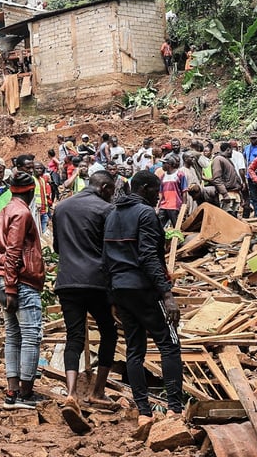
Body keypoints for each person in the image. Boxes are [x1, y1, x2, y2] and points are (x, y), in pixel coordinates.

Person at [105, 170, 182, 440]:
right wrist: (167, 295)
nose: (158, 195)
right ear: (146, 188)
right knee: (169, 344)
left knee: (134, 350)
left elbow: (106, 256)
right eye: (156, 190)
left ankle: (144, 411)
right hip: (144, 289)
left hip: (121, 289)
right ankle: (174, 409)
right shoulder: (146, 214)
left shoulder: (113, 213)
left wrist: (111, 295)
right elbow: (149, 255)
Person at [51, 171, 118, 424]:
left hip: (67, 280)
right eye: (111, 189)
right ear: (103, 187)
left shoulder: (62, 207)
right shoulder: (106, 210)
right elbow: (110, 249)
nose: (112, 194)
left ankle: (71, 394)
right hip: (96, 282)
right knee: (108, 333)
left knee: (74, 336)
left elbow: (57, 247)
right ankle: (97, 391)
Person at [0, 171, 44, 408]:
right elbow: (14, 252)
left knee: (13, 336)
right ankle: (26, 394)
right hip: (21, 282)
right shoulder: (22, 213)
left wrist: (5, 274)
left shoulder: (4, 212)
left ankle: (13, 392)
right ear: (30, 191)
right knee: (30, 337)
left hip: (4, 280)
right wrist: (11, 284)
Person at [210, 142, 243, 213]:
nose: (232, 153)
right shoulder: (218, 159)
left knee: (233, 216)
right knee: (226, 216)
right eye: (231, 150)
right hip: (227, 193)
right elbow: (216, 179)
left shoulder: (227, 160)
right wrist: (224, 194)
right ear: (228, 150)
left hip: (234, 193)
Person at [242, 133, 257, 218]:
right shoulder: (247, 148)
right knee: (254, 196)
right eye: (252, 138)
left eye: (255, 138)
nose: (253, 140)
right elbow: (244, 158)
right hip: (250, 175)